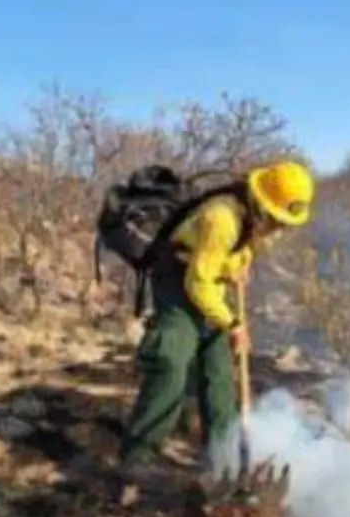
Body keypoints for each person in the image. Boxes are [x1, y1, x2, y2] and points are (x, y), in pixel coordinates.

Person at [118, 161, 315, 482]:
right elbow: (197, 283)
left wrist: (237, 266)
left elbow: (237, 253)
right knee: (172, 360)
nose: (281, 228)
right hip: (178, 282)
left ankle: (222, 460)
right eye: (278, 220)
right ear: (262, 203)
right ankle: (138, 456)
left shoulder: (260, 221)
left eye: (285, 222)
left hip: (210, 282)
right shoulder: (220, 218)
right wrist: (233, 324)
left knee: (219, 374)